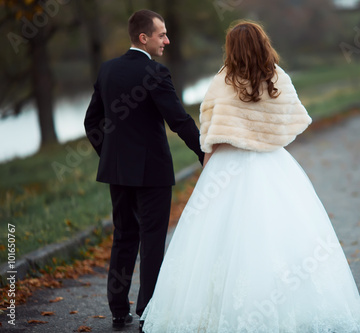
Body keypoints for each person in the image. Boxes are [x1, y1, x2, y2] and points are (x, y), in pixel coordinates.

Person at [140, 20, 360, 332]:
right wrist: (267, 138)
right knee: (282, 235)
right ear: (264, 44)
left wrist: (208, 170)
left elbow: (209, 133)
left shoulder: (221, 81)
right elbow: (290, 122)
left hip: (227, 166)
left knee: (217, 240)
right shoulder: (279, 78)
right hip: (272, 164)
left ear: (231, 49)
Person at [84, 9, 204, 331]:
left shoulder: (107, 70)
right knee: (152, 240)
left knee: (124, 236)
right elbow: (178, 120)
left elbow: (91, 122)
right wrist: (204, 153)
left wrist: (110, 155)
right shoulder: (156, 73)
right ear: (143, 37)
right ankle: (148, 310)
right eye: (161, 34)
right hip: (152, 174)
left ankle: (118, 309)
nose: (167, 39)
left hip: (118, 173)